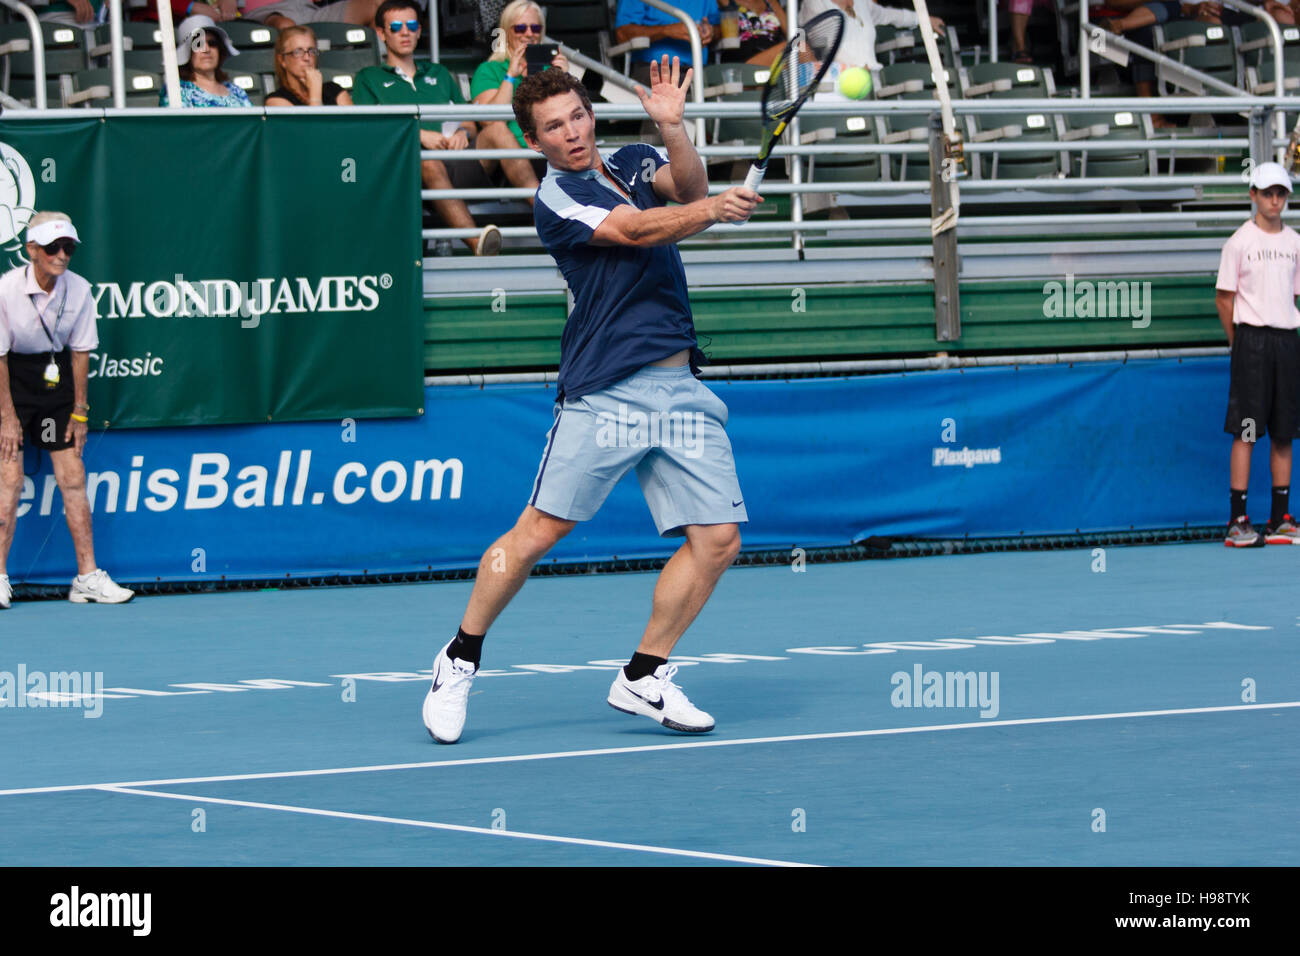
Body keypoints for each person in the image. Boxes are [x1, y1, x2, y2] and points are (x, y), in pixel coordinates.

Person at [420, 61, 762, 744]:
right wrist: (711, 211)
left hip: (679, 384)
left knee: (718, 540)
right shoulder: (555, 199)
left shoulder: (634, 159)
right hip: (604, 390)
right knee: (537, 535)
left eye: (577, 116)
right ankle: (458, 656)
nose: (572, 132)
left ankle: (643, 675)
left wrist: (674, 129)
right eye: (554, 126)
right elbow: (637, 230)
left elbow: (683, 184)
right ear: (534, 138)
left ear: (589, 113)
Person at [0, 214, 135, 609]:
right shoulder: (6, 290)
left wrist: (79, 412)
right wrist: (6, 418)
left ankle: (87, 577)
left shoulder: (79, 291)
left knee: (72, 475)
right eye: (52, 248)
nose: (61, 256)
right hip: (12, 382)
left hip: (54, 382)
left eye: (68, 248)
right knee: (9, 480)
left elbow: (80, 352)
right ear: (31, 251)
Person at [353, 0, 502, 255]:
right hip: (407, 173)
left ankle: (553, 223)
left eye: (411, 25)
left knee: (497, 131)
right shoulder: (369, 78)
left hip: (456, 164)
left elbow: (468, 120)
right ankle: (476, 243)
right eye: (396, 26)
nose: (405, 32)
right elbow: (368, 129)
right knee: (428, 162)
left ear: (419, 30)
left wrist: (462, 133)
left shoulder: (440, 73)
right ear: (381, 33)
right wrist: (418, 134)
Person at [1216, 161, 1300, 547]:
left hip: (1286, 343)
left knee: (1284, 432)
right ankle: (1238, 520)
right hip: (1251, 345)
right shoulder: (1239, 242)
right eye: (1267, 193)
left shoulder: (1296, 243)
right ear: (1253, 195)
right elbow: (1224, 298)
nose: (1275, 200)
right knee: (1248, 432)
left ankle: (1280, 518)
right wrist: (1240, 343)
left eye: (1281, 193)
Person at [470, 0, 568, 200]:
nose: (529, 34)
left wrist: (564, 80)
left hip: (552, 150)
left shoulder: (552, 71)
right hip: (513, 157)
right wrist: (510, 76)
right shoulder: (490, 69)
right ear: (506, 32)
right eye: (520, 28)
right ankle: (542, 207)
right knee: (497, 129)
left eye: (535, 28)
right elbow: (488, 121)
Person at [801, 0, 944, 72]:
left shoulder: (862, 2)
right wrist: (851, 69)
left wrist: (923, 18)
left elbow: (889, 15)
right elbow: (820, 50)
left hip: (874, 76)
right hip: (839, 85)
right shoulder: (814, 3)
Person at [615, 0, 720, 87]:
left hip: (699, 70)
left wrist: (711, 31)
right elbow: (622, 34)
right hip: (654, 68)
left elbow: (719, 28)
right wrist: (666, 30)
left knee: (727, 83)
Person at [159, 15, 252, 108]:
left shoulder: (237, 92)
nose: (207, 49)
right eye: (198, 44)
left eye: (212, 43)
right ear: (187, 53)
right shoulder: (176, 91)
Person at [265, 26, 355, 106]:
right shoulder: (276, 100)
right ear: (282, 60)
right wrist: (315, 95)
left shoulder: (336, 92)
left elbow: (354, 124)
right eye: (298, 52)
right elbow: (313, 125)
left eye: (311, 51)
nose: (307, 57)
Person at [717, 0, 788, 67]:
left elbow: (791, 32)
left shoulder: (771, 2)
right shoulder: (725, 1)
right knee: (793, 48)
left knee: (795, 47)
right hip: (741, 58)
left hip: (772, 54)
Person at [243, 0, 385, 31]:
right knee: (286, 26)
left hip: (310, 9)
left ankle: (383, 73)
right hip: (268, 11)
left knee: (377, 5)